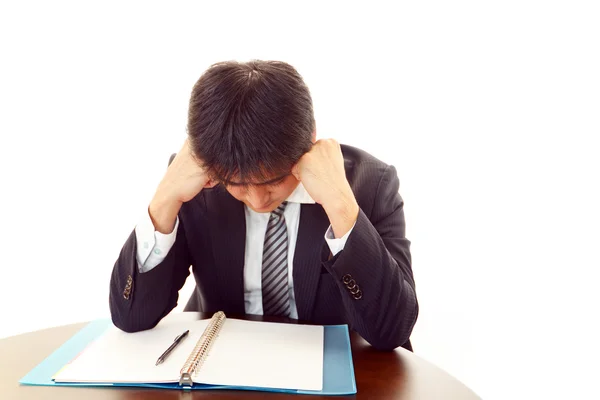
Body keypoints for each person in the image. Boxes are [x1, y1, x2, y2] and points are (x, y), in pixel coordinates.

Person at [109, 60, 418, 351]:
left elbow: (392, 330)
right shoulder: (199, 184)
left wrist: (340, 204)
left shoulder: (371, 184)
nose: (257, 200)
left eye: (274, 180)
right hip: (221, 365)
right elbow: (131, 318)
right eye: (238, 184)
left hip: (338, 369)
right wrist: (165, 197)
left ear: (309, 138)